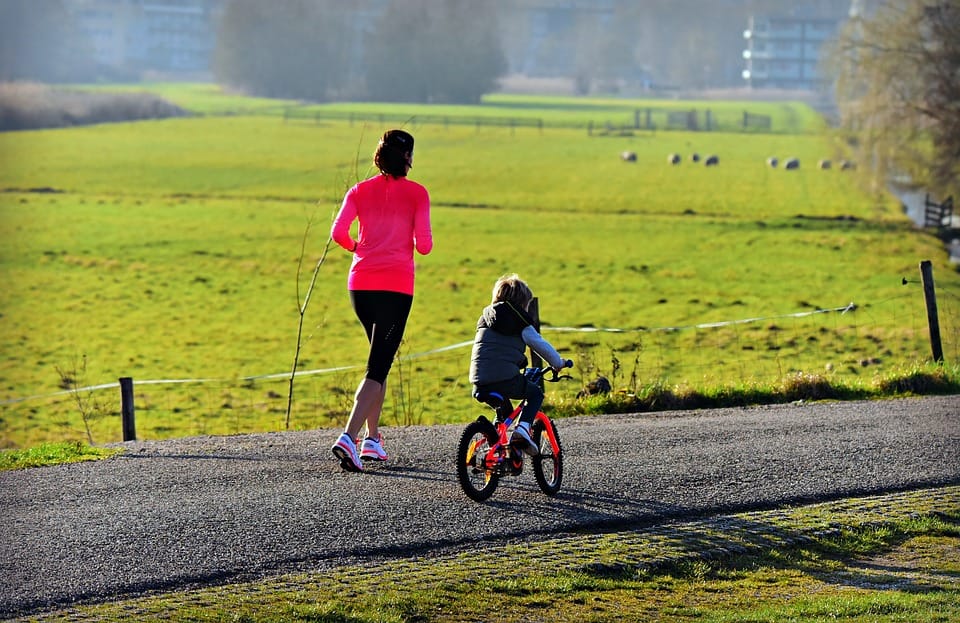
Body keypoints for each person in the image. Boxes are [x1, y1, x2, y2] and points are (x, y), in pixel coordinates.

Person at [329, 129, 433, 472]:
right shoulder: (418, 194)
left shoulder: (359, 191)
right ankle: (349, 436)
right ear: (407, 158)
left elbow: (338, 233)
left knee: (379, 359)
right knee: (378, 365)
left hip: (360, 285)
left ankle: (372, 440)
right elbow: (424, 245)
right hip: (396, 287)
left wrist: (357, 248)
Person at [469, 274, 571, 455]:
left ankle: (497, 445)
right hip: (504, 378)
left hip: (479, 380)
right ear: (522, 303)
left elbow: (496, 350)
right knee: (535, 393)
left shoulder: (485, 318)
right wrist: (558, 363)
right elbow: (541, 346)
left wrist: (520, 360)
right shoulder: (519, 321)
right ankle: (522, 431)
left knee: (505, 411)